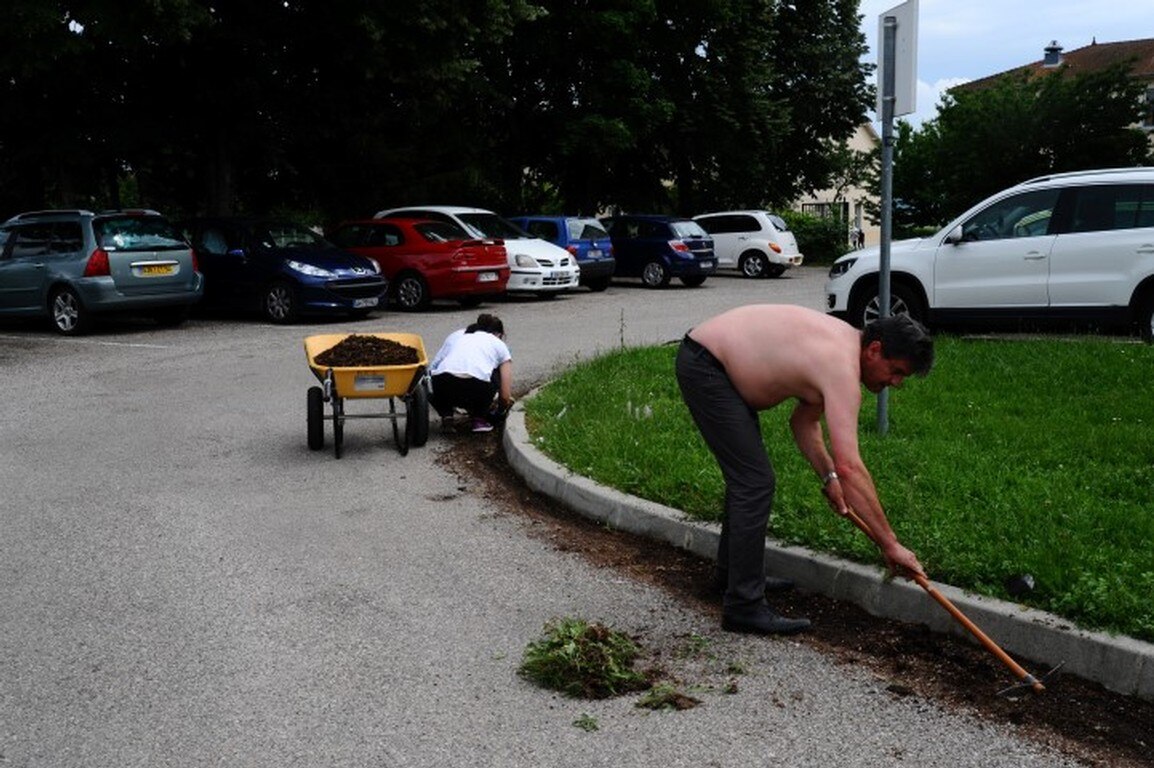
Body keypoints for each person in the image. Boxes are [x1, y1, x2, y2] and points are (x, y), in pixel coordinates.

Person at [675, 305, 934, 636]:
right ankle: (743, 605)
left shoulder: (843, 348)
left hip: (712, 362)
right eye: (895, 371)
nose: (895, 383)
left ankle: (736, 578)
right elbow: (851, 466)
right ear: (874, 349)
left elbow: (804, 421)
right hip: (708, 365)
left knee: (749, 480)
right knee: (754, 482)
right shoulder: (841, 367)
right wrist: (890, 543)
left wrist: (829, 477)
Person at [429, 314, 513, 433]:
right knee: (494, 373)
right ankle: (479, 419)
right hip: (476, 387)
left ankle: (447, 417)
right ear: (498, 334)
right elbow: (505, 395)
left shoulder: (463, 337)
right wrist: (500, 411)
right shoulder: (500, 345)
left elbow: (438, 365)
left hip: (441, 383)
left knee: (449, 375)